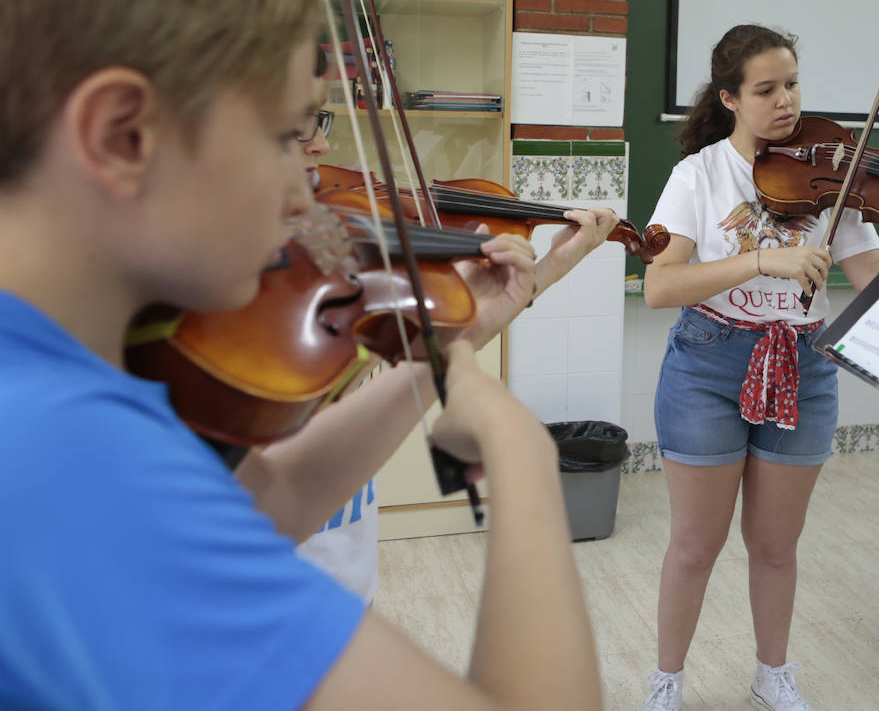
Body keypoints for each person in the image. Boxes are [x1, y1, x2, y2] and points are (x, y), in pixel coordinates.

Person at [0, 0, 602, 710]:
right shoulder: (57, 464)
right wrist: (520, 455)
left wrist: (439, 351)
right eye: (286, 135)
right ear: (124, 135)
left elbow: (268, 500)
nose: (304, 194)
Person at [248, 107, 621, 602]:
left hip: (344, 561)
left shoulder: (300, 269)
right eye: (300, 123)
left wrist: (546, 270)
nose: (321, 146)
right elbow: (268, 503)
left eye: (322, 120)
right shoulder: (211, 311)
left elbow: (398, 373)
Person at [639, 25, 879, 711]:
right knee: (695, 545)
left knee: (776, 545)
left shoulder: (832, 173)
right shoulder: (699, 174)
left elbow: (872, 277)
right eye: (766, 89)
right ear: (730, 98)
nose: (786, 101)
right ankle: (667, 682)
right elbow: (661, 286)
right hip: (709, 364)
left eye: (793, 84)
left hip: (805, 364)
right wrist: (759, 258)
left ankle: (772, 674)